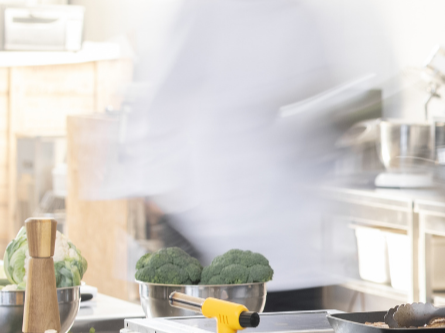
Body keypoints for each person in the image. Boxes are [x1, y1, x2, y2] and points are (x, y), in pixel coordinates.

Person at [126, 0, 390, 311]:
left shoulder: (305, 20)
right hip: (214, 238)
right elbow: (160, 109)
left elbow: (325, 117)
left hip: (294, 251)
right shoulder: (203, 11)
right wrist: (167, 198)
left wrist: (336, 124)